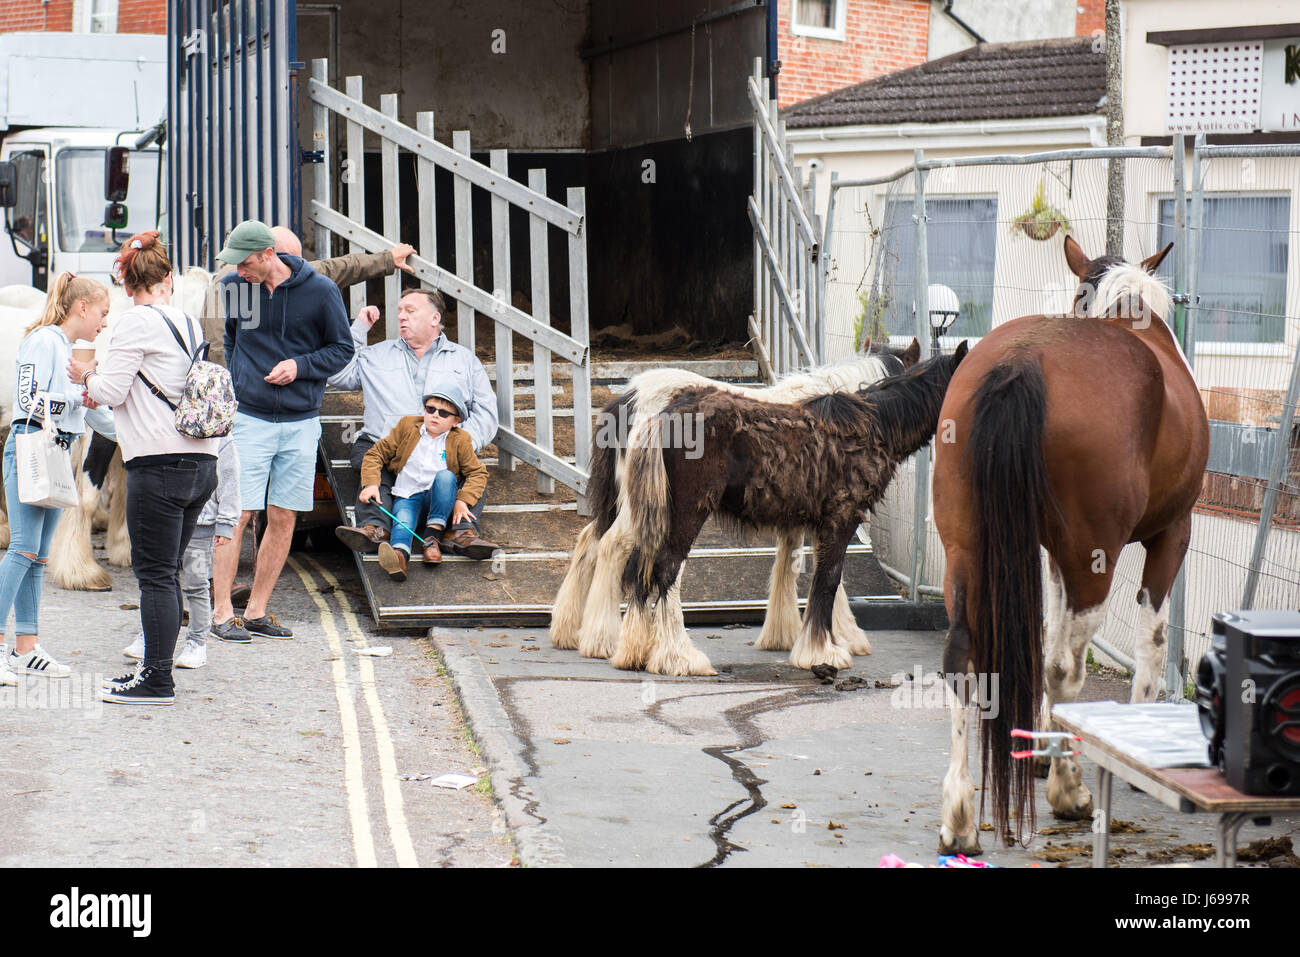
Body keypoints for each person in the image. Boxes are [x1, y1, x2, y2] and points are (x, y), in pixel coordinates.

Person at [70, 232, 219, 706]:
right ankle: (154, 671)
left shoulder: (135, 323)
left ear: (126, 283)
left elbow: (111, 392)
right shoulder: (190, 324)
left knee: (154, 575)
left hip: (159, 465)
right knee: (168, 572)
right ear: (168, 279)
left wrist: (84, 376)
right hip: (201, 462)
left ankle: (156, 679)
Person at [208, 220, 353, 642]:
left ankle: (256, 611)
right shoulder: (238, 288)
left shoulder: (321, 291)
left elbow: (342, 349)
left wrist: (300, 366)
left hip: (301, 422)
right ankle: (220, 614)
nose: (238, 271)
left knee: (284, 516)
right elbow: (232, 339)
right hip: (249, 418)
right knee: (235, 514)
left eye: (244, 262)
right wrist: (239, 382)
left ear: (268, 255)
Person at [0, 273, 115, 685]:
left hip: (55, 451)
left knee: (38, 556)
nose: (103, 323)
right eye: (102, 313)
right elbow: (27, 400)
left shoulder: (65, 348)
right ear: (81, 307)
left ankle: (26, 648)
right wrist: (79, 393)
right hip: (32, 446)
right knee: (23, 549)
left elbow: (91, 412)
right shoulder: (43, 340)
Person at [330, 288, 498, 558]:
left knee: (471, 467)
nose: (401, 317)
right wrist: (358, 329)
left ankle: (461, 532)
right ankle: (375, 529)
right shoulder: (376, 354)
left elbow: (487, 411)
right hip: (385, 445)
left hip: (443, 447)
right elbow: (338, 375)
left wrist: (459, 442)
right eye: (399, 312)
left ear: (434, 318)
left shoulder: (464, 360)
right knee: (372, 462)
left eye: (410, 311)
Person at [200, 228, 417, 366]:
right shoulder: (234, 283)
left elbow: (336, 268)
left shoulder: (278, 272)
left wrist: (387, 260)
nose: (297, 265)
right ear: (271, 254)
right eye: (292, 259)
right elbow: (220, 347)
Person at [120, 433, 239, 668]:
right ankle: (150, 637)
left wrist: (226, 522)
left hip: (202, 528)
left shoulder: (222, 437)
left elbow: (230, 477)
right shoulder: (166, 425)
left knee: (196, 585)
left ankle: (197, 642)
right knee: (160, 578)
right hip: (172, 518)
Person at [360, 381, 489, 581]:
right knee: (402, 523)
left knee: (446, 477)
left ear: (456, 421)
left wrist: (462, 501)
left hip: (437, 500)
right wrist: (371, 484)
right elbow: (375, 454)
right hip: (407, 494)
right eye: (431, 409)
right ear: (424, 411)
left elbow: (477, 472)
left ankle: (432, 538)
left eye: (444, 413)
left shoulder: (461, 439)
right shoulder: (407, 426)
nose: (435, 415)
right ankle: (399, 558)